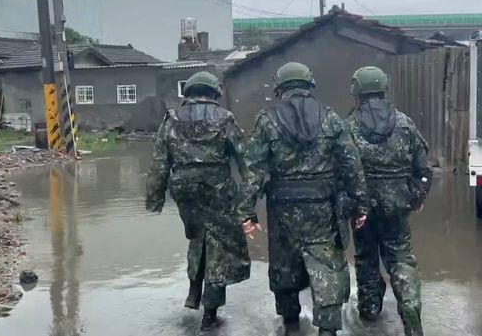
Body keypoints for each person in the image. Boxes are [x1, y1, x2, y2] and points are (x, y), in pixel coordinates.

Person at [243, 62, 369, 336]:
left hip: (283, 210)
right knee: (327, 265)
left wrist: (246, 212)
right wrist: (361, 205)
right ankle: (327, 329)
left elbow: (252, 169)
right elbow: (352, 164)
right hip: (323, 209)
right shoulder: (330, 118)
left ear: (280, 88)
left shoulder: (267, 120)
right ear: (310, 85)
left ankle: (290, 324)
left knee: (284, 263)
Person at [145, 71, 258, 331]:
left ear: (190, 93)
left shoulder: (171, 119)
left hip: (184, 189)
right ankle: (210, 311)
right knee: (218, 243)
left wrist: (154, 200)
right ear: (214, 93)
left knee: (198, 238)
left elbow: (160, 163)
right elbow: (245, 160)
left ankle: (193, 294)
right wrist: (248, 199)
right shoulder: (226, 118)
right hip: (218, 187)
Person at [345, 66, 432, 336]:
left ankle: (370, 311)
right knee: (401, 259)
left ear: (357, 92)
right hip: (397, 207)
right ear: (384, 88)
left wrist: (348, 204)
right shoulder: (405, 123)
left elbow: (341, 169)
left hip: (363, 210)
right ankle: (409, 310)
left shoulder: (348, 125)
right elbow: (423, 168)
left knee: (366, 257)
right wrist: (417, 197)